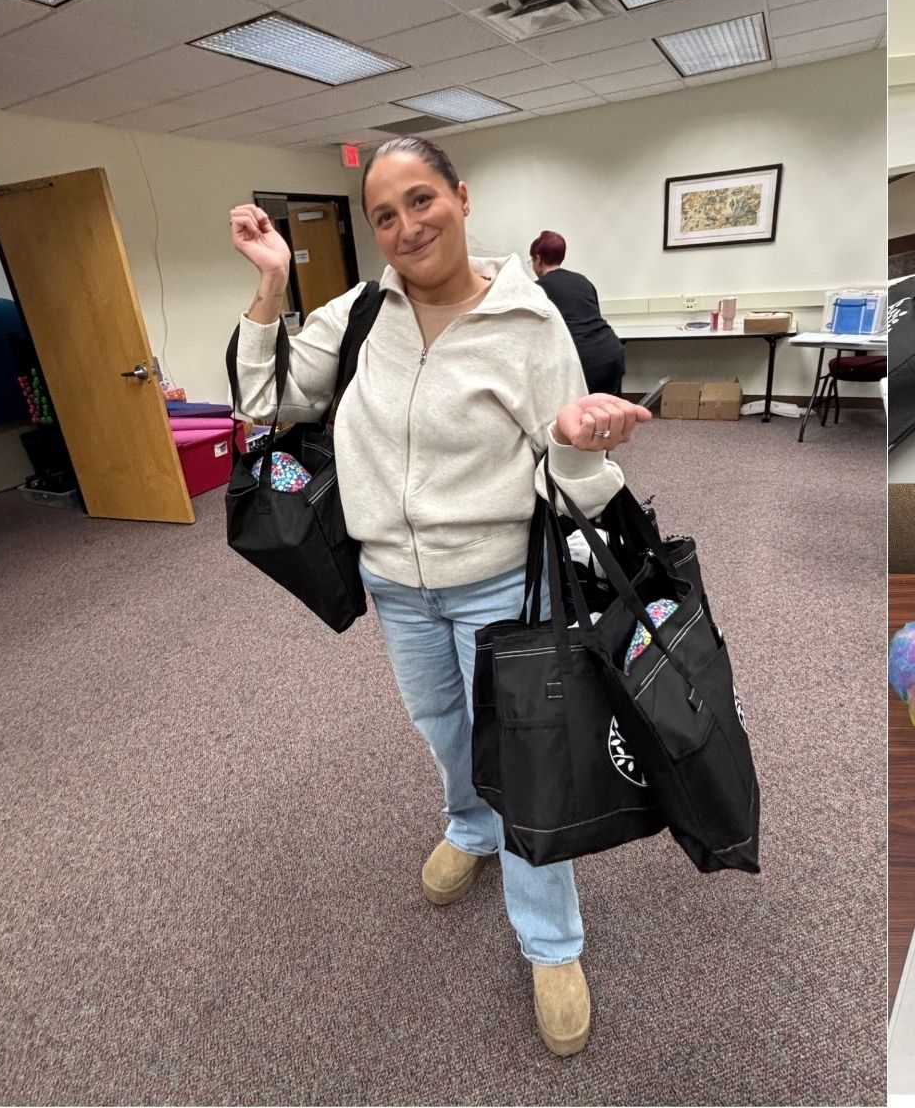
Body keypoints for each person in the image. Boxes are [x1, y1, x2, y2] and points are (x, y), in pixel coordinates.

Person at [227, 136, 650, 1058]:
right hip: (395, 582)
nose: (407, 226)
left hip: (501, 577)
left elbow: (577, 480)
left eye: (422, 201)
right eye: (385, 214)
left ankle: (551, 943)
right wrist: (269, 283)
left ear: (460, 197)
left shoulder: (529, 323)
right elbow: (264, 400)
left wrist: (579, 438)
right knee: (441, 726)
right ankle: (468, 824)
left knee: (528, 756)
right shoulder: (359, 312)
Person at [530, 231, 626, 395]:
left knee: (579, 413)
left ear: (537, 259)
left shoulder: (536, 289)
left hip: (581, 360)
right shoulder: (582, 280)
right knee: (605, 409)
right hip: (611, 351)